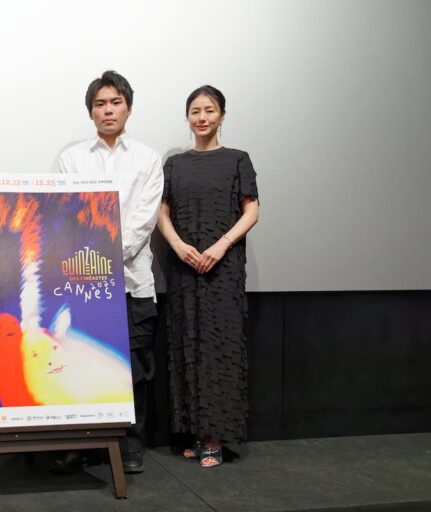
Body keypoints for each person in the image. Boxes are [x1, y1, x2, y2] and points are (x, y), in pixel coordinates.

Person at [53, 70, 163, 474]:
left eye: (116, 102)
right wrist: (92, 262)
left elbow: (143, 220)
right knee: (80, 363)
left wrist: (106, 258)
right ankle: (79, 446)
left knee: (133, 369)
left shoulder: (148, 159)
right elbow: (66, 213)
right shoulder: (72, 159)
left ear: (128, 108)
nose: (108, 110)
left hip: (133, 283)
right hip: (81, 284)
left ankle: (130, 448)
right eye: (100, 104)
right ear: (91, 112)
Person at [157, 85, 259, 468]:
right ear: (188, 117)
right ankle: (195, 433)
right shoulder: (174, 164)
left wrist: (222, 245)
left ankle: (215, 438)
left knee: (219, 347)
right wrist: (178, 245)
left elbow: (252, 211)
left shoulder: (238, 160)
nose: (202, 117)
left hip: (223, 267)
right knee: (187, 344)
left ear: (222, 115)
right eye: (195, 111)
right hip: (184, 266)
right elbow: (162, 212)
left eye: (210, 110)